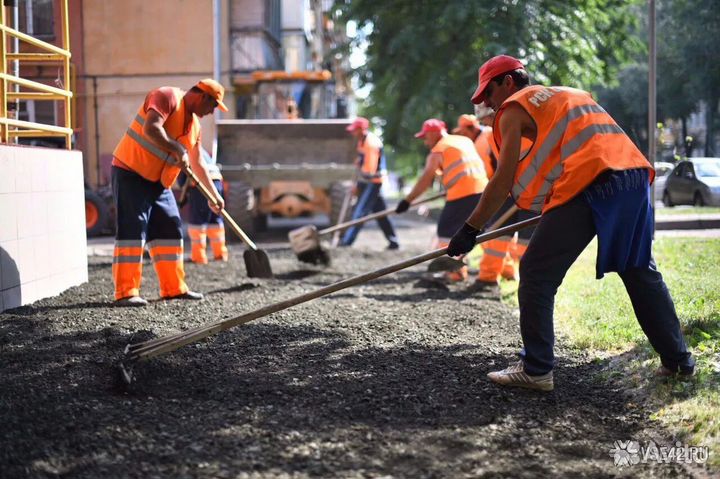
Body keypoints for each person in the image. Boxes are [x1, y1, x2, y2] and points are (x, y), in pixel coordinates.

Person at [447, 54, 695, 391]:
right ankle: (678, 362)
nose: (488, 104)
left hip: (591, 180)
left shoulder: (514, 107)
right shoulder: (569, 95)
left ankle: (536, 369)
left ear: (507, 81)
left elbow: (502, 180)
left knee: (535, 271)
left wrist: (470, 229)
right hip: (632, 175)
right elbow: (568, 154)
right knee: (638, 270)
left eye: (487, 94)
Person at [111, 78, 228, 306]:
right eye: (213, 106)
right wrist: (175, 148)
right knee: (132, 231)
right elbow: (151, 128)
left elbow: (198, 164)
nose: (211, 112)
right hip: (131, 172)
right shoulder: (166, 96)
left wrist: (214, 196)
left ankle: (173, 288)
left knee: (171, 228)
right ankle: (126, 292)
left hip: (158, 183)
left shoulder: (194, 126)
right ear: (203, 97)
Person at [453, 111, 537, 293]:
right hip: (509, 194)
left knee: (525, 241)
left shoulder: (490, 136)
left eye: (487, 120)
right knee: (499, 238)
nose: (487, 124)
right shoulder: (491, 135)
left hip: (528, 193)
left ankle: (525, 284)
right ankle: (492, 277)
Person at [396, 118, 488, 282]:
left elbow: (425, 180)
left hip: (463, 194)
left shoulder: (438, 150)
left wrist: (407, 201)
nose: (425, 142)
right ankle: (459, 268)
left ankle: (453, 272)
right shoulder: (464, 140)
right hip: (483, 190)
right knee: (470, 230)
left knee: (446, 232)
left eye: (426, 137)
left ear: (434, 134)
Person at [340, 117, 400, 249]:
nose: (353, 133)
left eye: (354, 130)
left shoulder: (371, 143)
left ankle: (347, 242)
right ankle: (394, 241)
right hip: (369, 181)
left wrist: (358, 185)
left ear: (361, 129)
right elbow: (363, 161)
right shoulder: (362, 141)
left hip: (373, 182)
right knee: (381, 214)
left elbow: (370, 170)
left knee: (359, 211)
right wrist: (359, 162)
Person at [179, 147, 229, 264]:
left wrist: (184, 194)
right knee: (215, 218)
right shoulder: (199, 149)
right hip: (217, 183)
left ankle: (199, 256)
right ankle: (220, 253)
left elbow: (182, 178)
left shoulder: (181, 152)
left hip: (200, 185)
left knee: (197, 221)